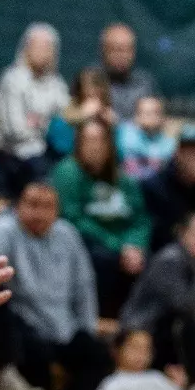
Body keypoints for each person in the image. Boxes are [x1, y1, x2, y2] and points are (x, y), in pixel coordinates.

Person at [0, 180, 111, 390]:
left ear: (57, 211)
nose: (38, 213)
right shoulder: (5, 229)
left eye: (47, 207)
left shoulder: (67, 235)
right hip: (25, 327)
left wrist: (86, 329)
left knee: (99, 357)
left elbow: (84, 287)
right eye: (32, 205)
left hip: (64, 327)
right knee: (31, 350)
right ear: (17, 206)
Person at [120, 210, 195, 390]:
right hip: (145, 329)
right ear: (184, 234)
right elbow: (184, 305)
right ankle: (194, 388)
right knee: (191, 322)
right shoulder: (169, 259)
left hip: (172, 332)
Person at [51, 117, 149, 317]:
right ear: (78, 143)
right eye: (88, 140)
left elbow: (140, 218)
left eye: (99, 140)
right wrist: (118, 246)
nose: (94, 146)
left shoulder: (122, 178)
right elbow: (72, 218)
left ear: (109, 145)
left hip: (125, 247)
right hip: (88, 245)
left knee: (156, 264)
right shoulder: (68, 172)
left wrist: (135, 245)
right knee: (103, 260)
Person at [0, 21, 66, 190]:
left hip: (48, 153)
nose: (42, 52)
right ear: (25, 48)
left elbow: (64, 118)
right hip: (13, 157)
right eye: (37, 46)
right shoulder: (13, 80)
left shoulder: (57, 84)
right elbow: (15, 130)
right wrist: (46, 123)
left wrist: (39, 122)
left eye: (47, 47)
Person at [99, 22, 154, 121]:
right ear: (104, 50)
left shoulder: (144, 84)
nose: (121, 56)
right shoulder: (92, 82)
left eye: (126, 50)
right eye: (116, 49)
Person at [117, 94, 173, 181]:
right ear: (136, 116)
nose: (151, 117)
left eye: (155, 112)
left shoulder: (170, 145)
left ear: (163, 117)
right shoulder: (122, 134)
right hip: (128, 189)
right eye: (146, 113)